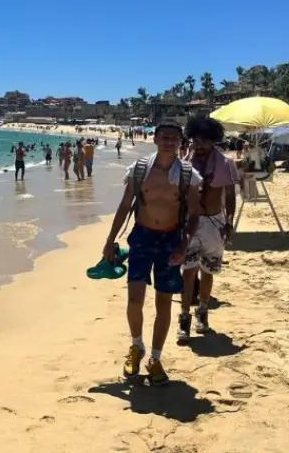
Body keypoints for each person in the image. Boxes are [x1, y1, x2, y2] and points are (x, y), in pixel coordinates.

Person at [101, 121, 202, 385]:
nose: (169, 142)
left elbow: (194, 214)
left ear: (180, 142)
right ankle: (137, 347)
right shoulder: (139, 170)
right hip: (142, 238)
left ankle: (155, 358)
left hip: (171, 240)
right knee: (134, 298)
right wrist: (110, 240)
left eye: (174, 138)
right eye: (165, 137)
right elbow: (125, 206)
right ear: (155, 139)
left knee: (164, 303)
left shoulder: (188, 175)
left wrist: (184, 245)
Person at [178, 117, 237, 343]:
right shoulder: (185, 162)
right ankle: (184, 319)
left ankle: (202, 314)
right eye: (195, 140)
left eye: (204, 141)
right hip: (189, 223)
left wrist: (229, 221)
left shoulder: (225, 163)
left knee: (208, 271)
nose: (199, 145)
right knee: (188, 271)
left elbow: (230, 196)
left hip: (214, 223)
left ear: (213, 141)